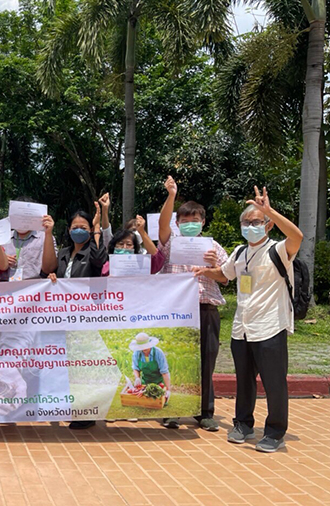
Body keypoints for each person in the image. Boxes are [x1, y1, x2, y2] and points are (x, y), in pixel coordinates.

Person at [193, 187, 301, 453]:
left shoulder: (279, 250)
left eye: (257, 222)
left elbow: (297, 235)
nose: (251, 226)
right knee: (244, 380)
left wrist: (269, 210)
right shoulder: (240, 252)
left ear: (268, 226)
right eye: (247, 222)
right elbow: (224, 273)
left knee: (274, 382)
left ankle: (275, 432)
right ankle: (243, 423)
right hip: (242, 327)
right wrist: (205, 271)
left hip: (270, 327)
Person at [157, 175, 228, 432]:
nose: (189, 224)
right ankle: (172, 410)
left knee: (206, 361)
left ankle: (205, 412)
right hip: (175, 312)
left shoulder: (214, 247)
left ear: (203, 222)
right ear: (178, 223)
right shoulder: (170, 245)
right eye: (184, 221)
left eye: (194, 221)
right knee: (174, 362)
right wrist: (171, 196)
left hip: (205, 309)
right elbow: (162, 227)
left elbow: (227, 277)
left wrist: (213, 268)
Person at [46, 204, 107, 429]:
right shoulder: (63, 253)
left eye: (84, 227)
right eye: (75, 226)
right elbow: (50, 273)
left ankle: (86, 413)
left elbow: (100, 261)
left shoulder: (92, 250)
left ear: (89, 230)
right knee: (66, 364)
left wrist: (98, 227)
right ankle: (69, 406)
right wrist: (52, 276)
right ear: (69, 229)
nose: (78, 230)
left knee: (83, 363)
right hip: (62, 316)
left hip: (85, 316)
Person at [5, 196, 58, 281]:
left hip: (34, 292)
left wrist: (48, 232)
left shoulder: (45, 237)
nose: (23, 220)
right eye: (19, 216)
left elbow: (49, 269)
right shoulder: (3, 238)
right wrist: (2, 261)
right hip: (6, 290)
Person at [101, 216, 165, 275]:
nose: (124, 248)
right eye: (121, 244)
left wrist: (142, 232)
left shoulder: (141, 264)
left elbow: (157, 259)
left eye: (129, 244)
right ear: (114, 246)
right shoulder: (107, 267)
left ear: (134, 247)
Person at [129, 333, 172, 401]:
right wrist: (137, 378)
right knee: (143, 400)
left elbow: (164, 372)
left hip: (159, 383)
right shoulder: (137, 353)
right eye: (141, 346)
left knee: (157, 400)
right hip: (145, 382)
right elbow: (136, 368)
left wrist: (168, 389)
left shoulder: (158, 353)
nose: (144, 348)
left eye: (145, 346)